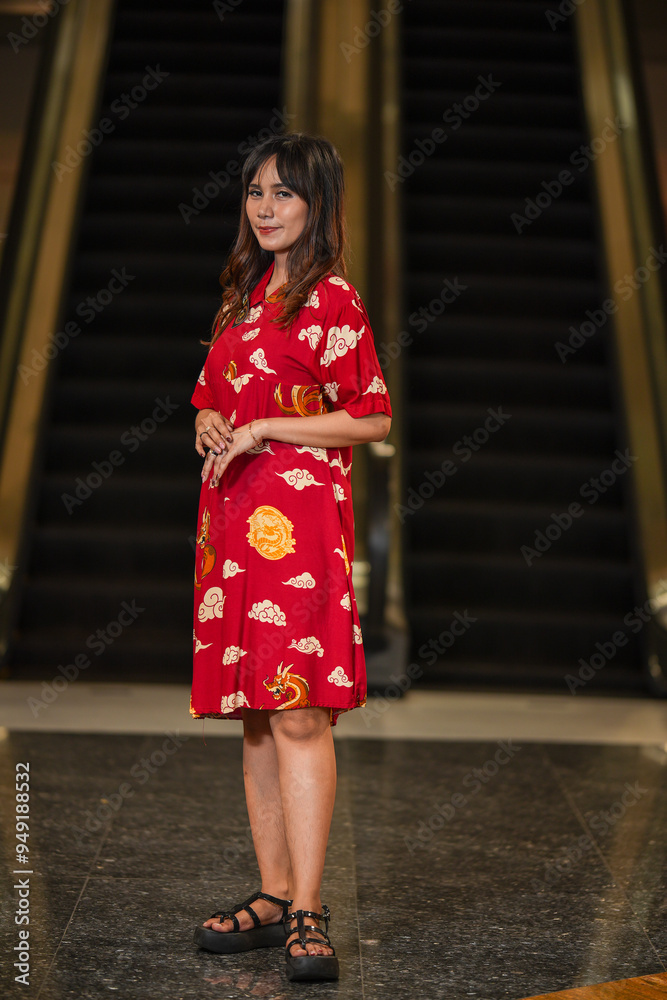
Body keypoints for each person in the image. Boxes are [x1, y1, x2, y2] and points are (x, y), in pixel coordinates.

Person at [190, 132, 392, 983]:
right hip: (230, 525)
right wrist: (207, 422)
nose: (265, 208)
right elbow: (211, 398)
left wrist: (269, 427)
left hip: (300, 527)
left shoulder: (334, 300)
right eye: (255, 192)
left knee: (299, 712)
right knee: (255, 715)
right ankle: (273, 896)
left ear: (318, 203)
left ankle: (309, 906)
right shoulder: (240, 297)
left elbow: (371, 416)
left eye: (284, 193)